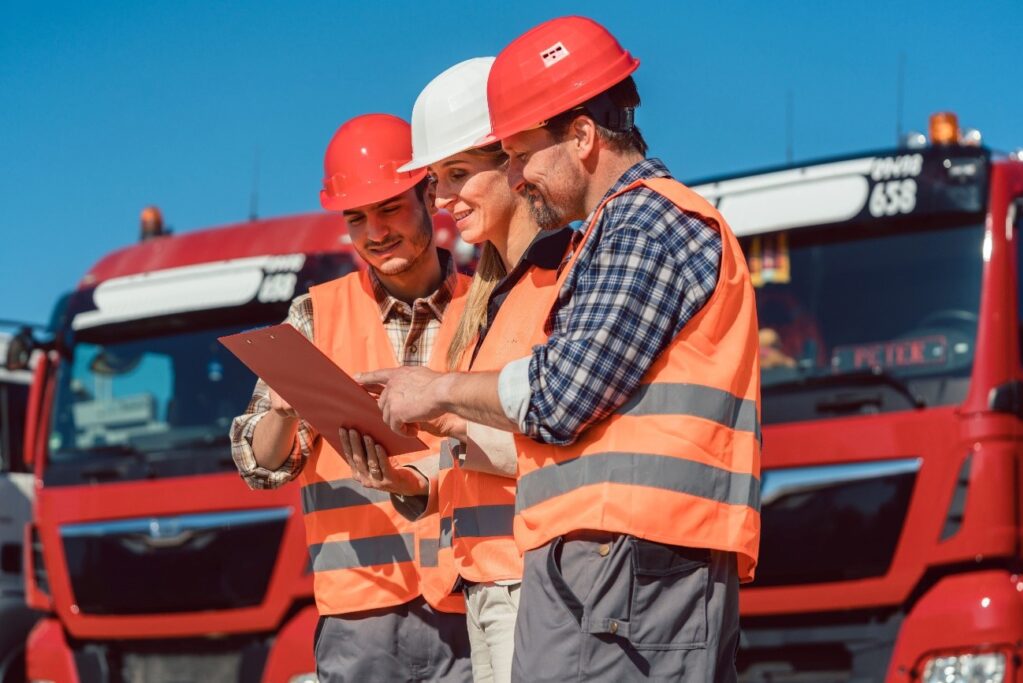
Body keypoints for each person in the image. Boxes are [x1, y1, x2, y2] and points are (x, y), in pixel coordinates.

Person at [361, 16, 762, 682]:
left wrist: (438, 390)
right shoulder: (612, 232)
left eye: (519, 154)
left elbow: (559, 394)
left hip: (632, 568)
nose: (515, 176)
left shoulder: (647, 224)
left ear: (580, 136)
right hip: (614, 568)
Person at [343, 58, 572, 683]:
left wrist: (446, 407)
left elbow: (570, 432)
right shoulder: (489, 299)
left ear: (517, 161)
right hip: (485, 581)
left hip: (542, 581)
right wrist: (414, 484)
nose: (442, 199)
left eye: (457, 174)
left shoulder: (561, 280)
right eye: (437, 178)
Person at [229, 113, 471, 682]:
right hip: (363, 609)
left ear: (428, 193)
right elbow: (260, 467)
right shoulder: (315, 314)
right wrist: (285, 416)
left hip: (474, 591)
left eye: (390, 208)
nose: (375, 232)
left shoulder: (487, 301)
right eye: (357, 217)